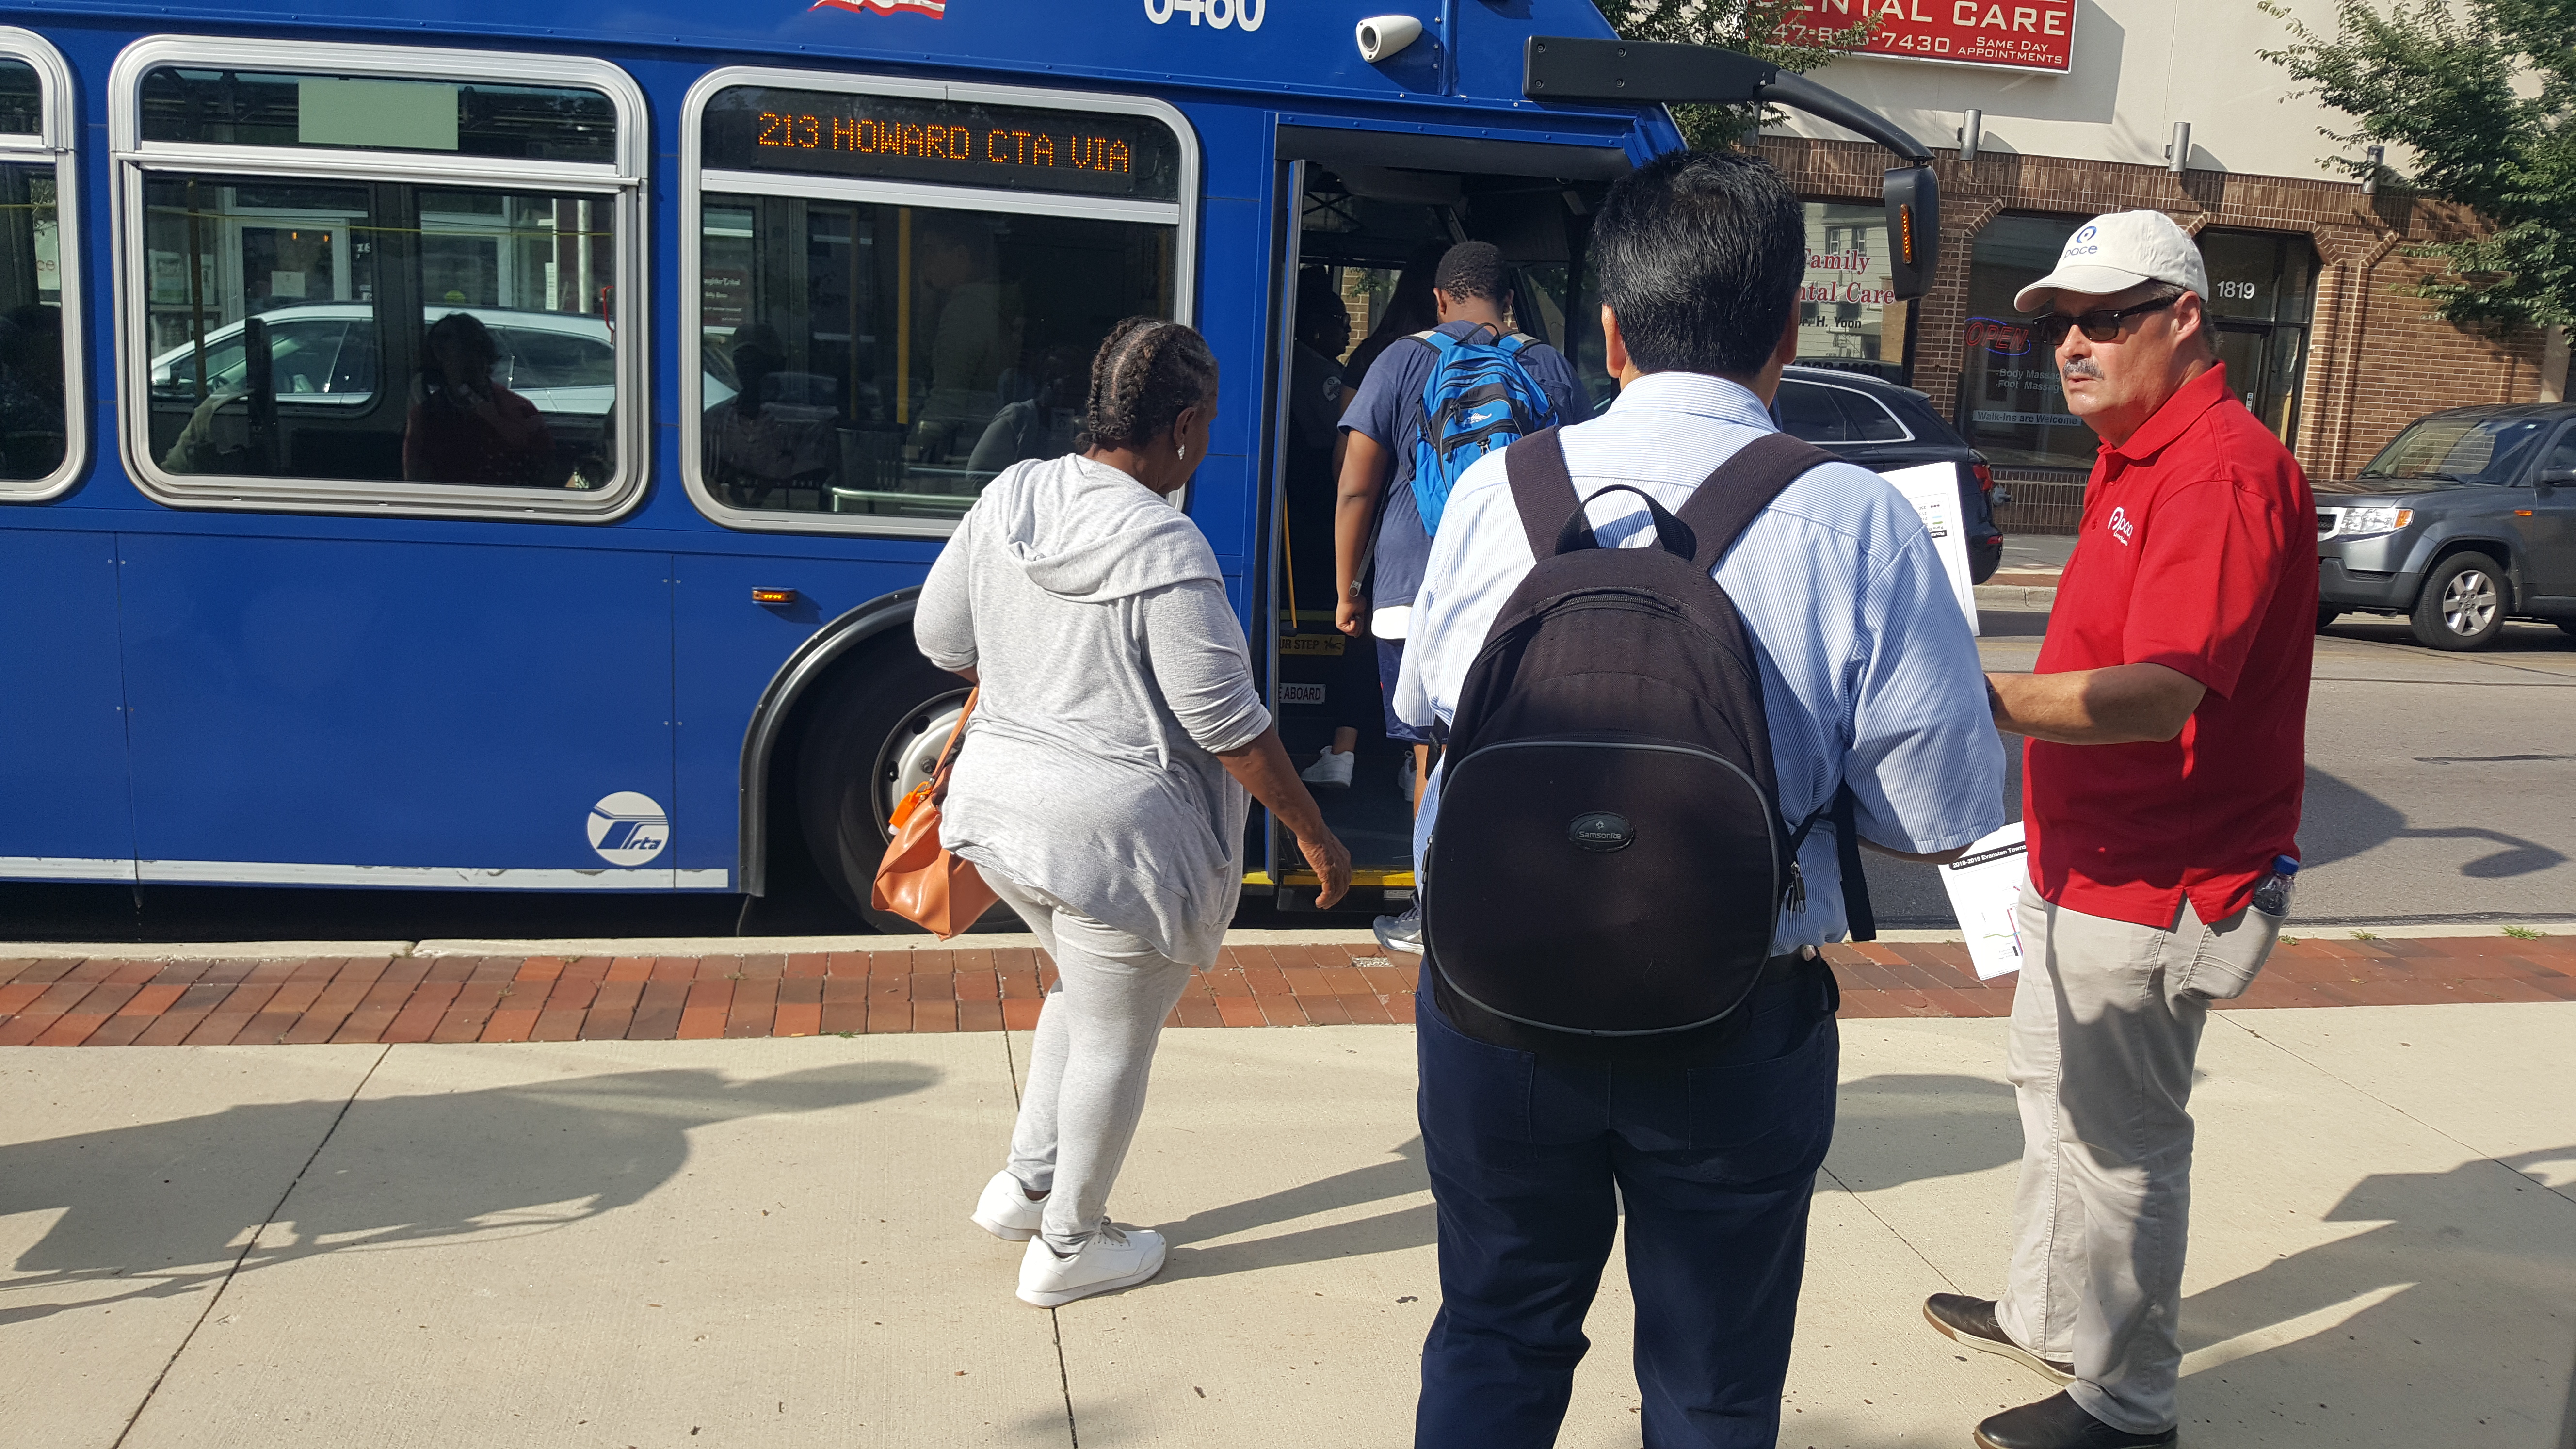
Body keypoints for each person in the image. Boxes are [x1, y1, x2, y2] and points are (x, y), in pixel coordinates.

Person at [1390, 149, 2007, 1449]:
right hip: (1735, 1017)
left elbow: (1429, 713)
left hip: (1497, 1006)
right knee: (1713, 1383)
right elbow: (1939, 812)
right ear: (1788, 327)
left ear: (1609, 332)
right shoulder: (1860, 518)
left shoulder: (1502, 493)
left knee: (1495, 1336)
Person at [1931, 210, 2318, 1449]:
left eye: (2104, 317)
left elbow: (2155, 696)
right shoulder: (2137, 451)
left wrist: (1957, 694)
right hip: (2081, 862)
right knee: (2051, 1098)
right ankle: (2047, 1311)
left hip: (2161, 879)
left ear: (2183, 316)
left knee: (2122, 1145)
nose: (2070, 344)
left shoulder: (2213, 469)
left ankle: (2122, 1403)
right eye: (2058, 322)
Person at [915, 317, 1354, 1308]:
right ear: (1186, 425)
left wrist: (1040, 678)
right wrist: (1315, 836)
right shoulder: (1167, 545)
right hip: (1116, 844)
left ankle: (1023, 1187)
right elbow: (1228, 725)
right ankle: (1069, 1247)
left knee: (1084, 992)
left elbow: (939, 635)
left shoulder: (1013, 493)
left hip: (1000, 817)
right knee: (1117, 1034)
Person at [1334, 240, 1586, 951]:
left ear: (1441, 298)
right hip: (1519, 592)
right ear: (1509, 298)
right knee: (1516, 746)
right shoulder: (1547, 366)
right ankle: (1518, 898)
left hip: (1413, 591)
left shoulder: (1402, 360)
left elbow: (1357, 483)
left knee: (1431, 755)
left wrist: (1347, 589)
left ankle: (1432, 913)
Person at [403, 311, 555, 486]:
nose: (469, 365)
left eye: (474, 354)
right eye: (458, 357)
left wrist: (495, 419)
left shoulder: (520, 409)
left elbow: (547, 468)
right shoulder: (424, 417)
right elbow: (415, 480)